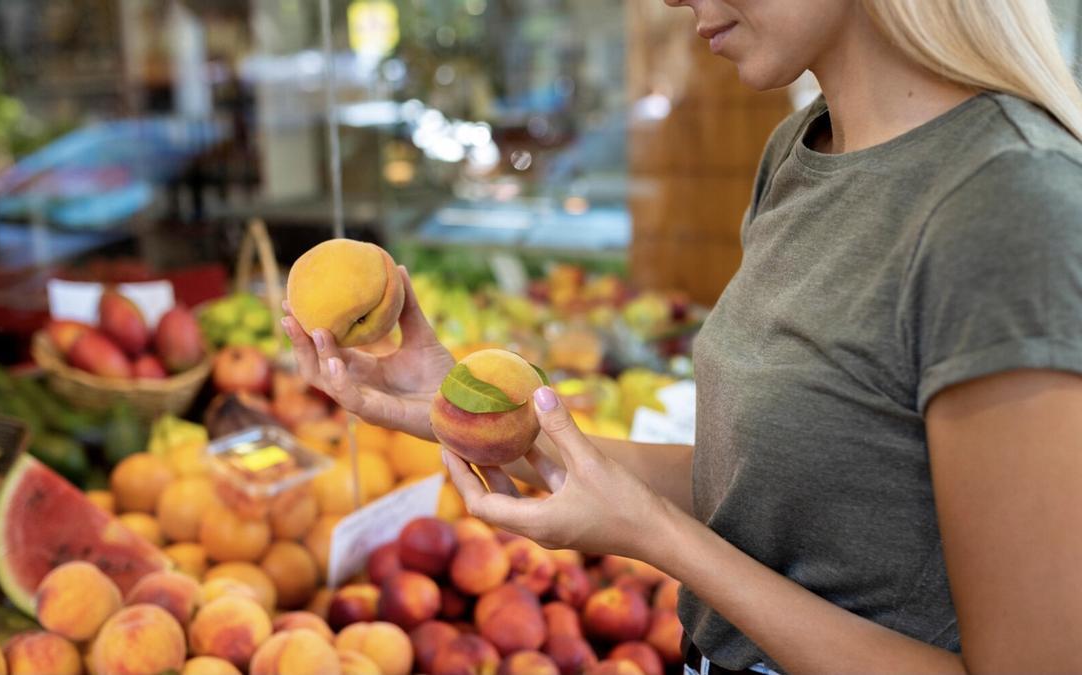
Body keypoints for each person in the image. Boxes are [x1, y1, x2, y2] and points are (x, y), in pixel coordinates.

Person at [283, 0, 1082, 671]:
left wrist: (654, 536)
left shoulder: (1008, 205)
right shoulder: (802, 151)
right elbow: (771, 488)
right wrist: (463, 413)